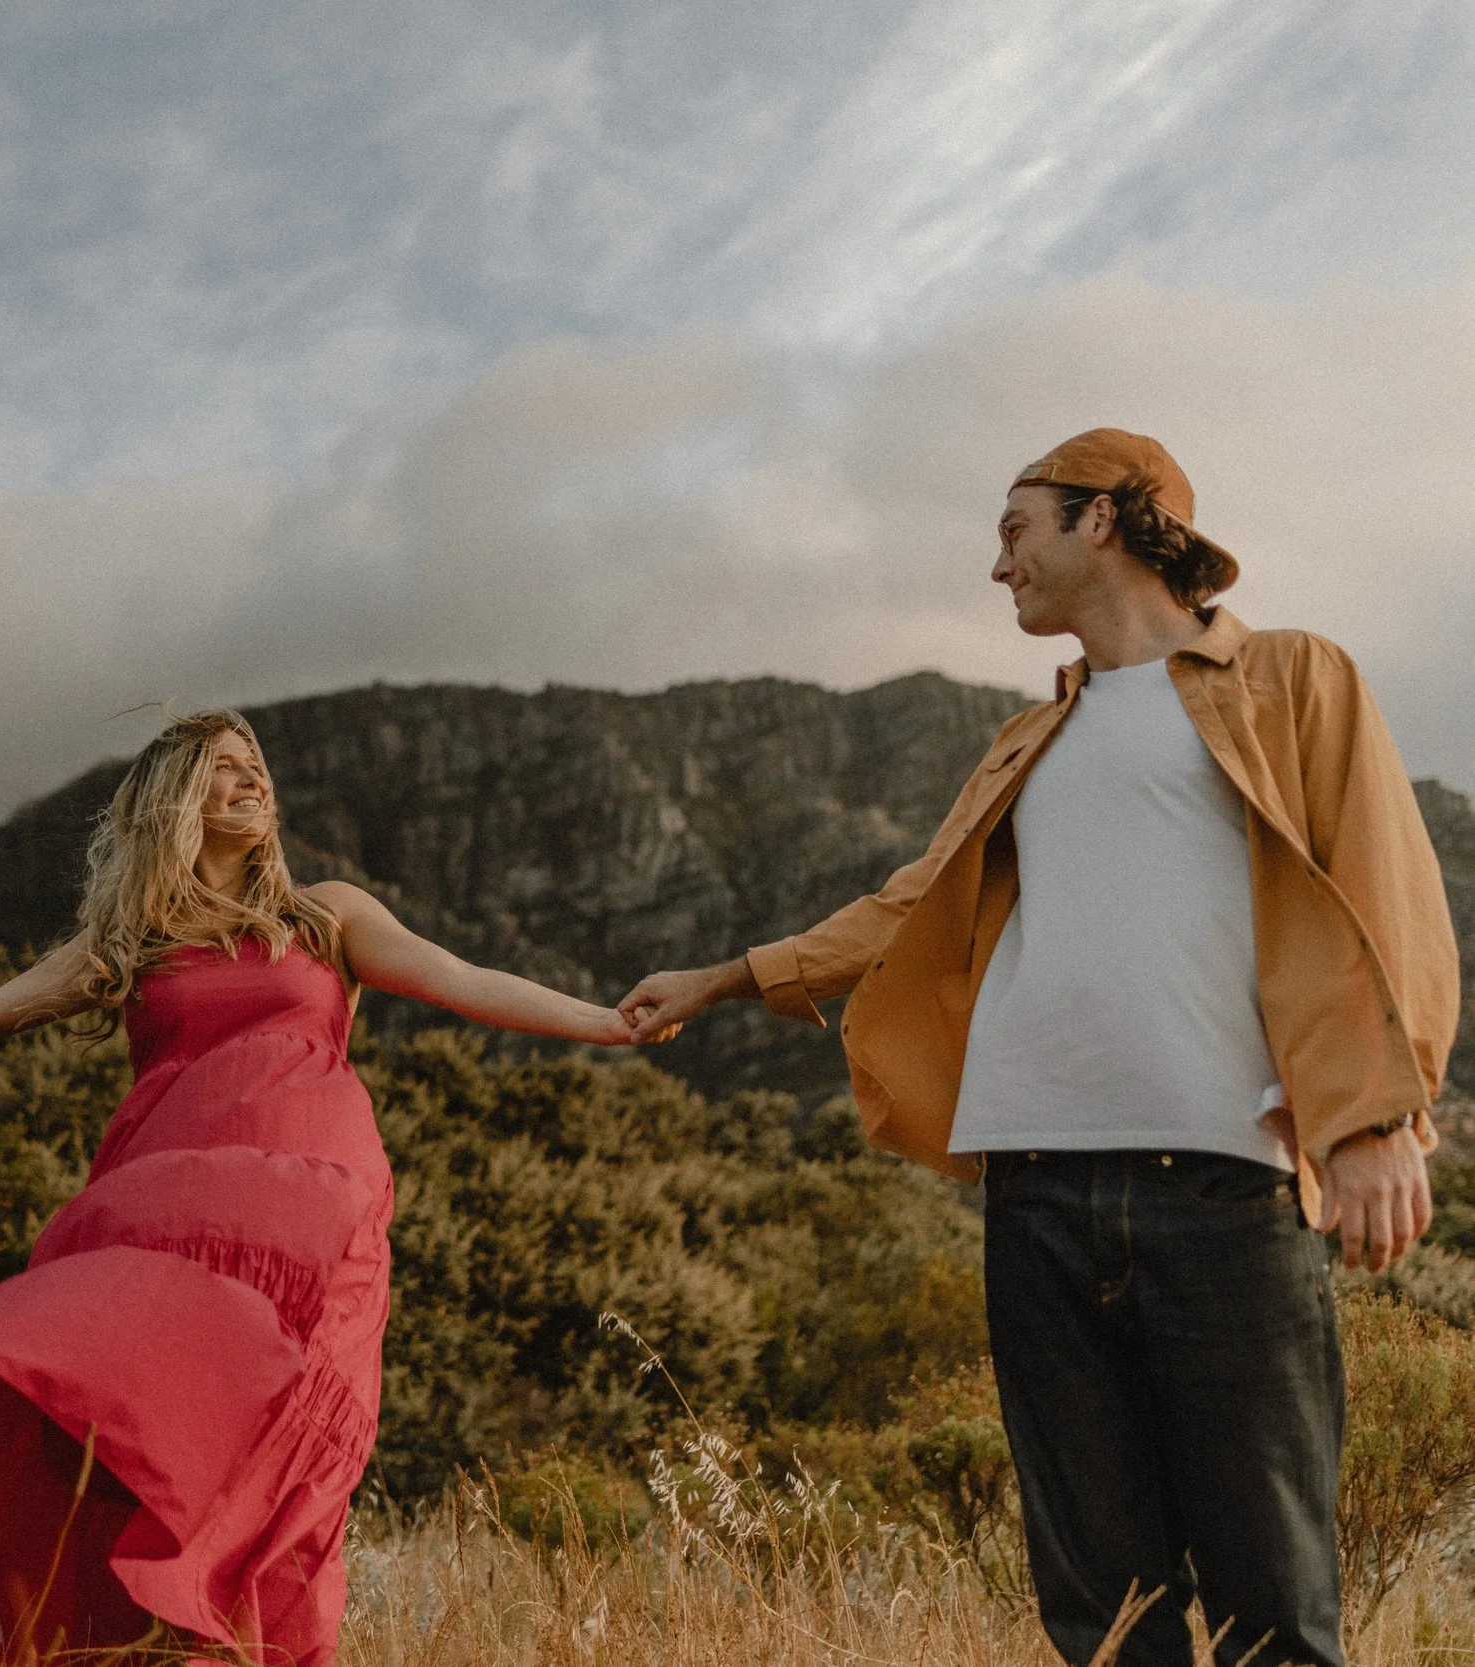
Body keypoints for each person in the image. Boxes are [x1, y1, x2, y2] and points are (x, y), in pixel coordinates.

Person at [619, 429, 1459, 1667]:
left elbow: (1384, 884)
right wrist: (729, 976)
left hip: (1220, 1185)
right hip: (1033, 1194)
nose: (997, 565)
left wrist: (1383, 1113)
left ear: (1104, 518)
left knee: (1270, 1603)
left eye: (1015, 529)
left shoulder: (1290, 677)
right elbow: (910, 903)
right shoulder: (1028, 740)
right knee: (1102, 1613)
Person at [0, 709, 642, 1666]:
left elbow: (461, 977)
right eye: (228, 769)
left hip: (312, 1210)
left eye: (258, 767)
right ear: (177, 798)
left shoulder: (325, 915)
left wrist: (605, 1023)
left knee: (279, 1464)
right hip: (168, 1207)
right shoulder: (134, 938)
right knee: (135, 1440)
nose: (255, 782)